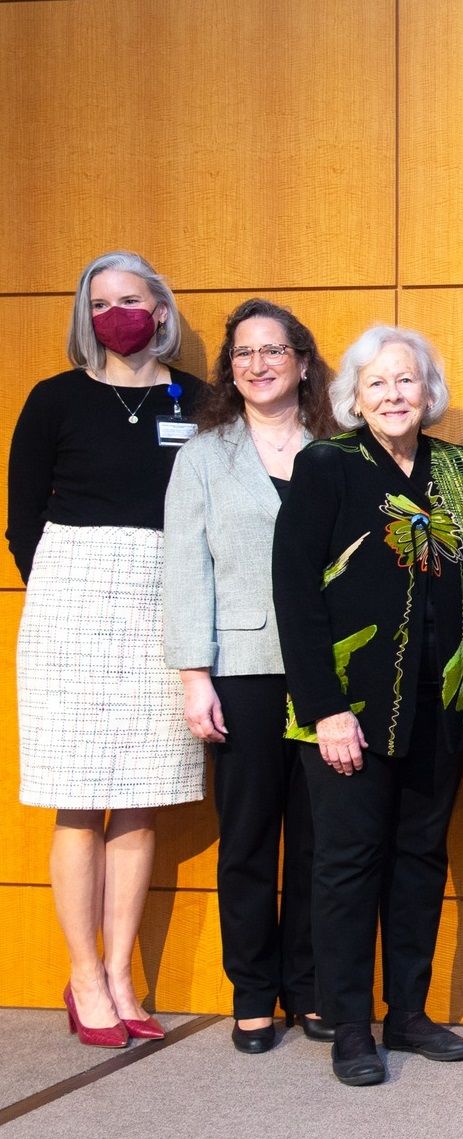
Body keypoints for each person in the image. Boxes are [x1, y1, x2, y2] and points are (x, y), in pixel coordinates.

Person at [272, 325, 463, 1086]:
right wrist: (325, 708)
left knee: (420, 860)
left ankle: (407, 1013)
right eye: (377, 383)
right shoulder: (327, 464)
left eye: (407, 380)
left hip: (442, 702)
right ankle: (349, 1025)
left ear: (428, 391)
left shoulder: (461, 469)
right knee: (345, 867)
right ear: (354, 397)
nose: (394, 394)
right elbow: (295, 594)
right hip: (349, 708)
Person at [8, 251, 206, 1049]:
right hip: (73, 602)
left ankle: (122, 973)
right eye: (98, 304)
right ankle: (84, 974)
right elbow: (23, 518)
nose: (114, 315)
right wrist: (65, 587)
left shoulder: (198, 399)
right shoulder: (54, 398)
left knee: (142, 793)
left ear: (160, 308)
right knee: (78, 795)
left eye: (129, 299)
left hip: (166, 597)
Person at [163, 298, 340, 1053]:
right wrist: (194, 676)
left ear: (302, 362)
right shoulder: (204, 457)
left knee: (320, 841)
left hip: (329, 671)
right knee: (247, 840)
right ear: (228, 369)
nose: (258, 364)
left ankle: (310, 987)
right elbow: (185, 571)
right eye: (243, 352)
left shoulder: (340, 447)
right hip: (243, 670)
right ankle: (253, 994)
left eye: (273, 350)